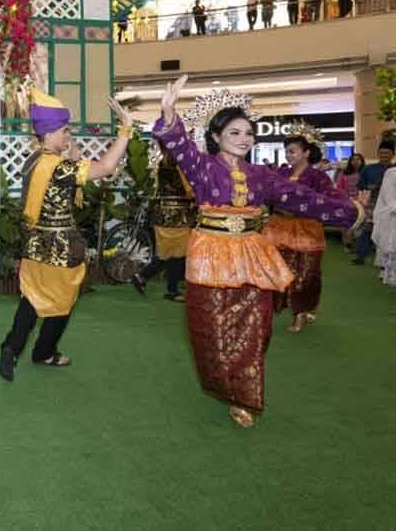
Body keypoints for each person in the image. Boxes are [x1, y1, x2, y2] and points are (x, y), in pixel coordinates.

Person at [153, 77, 362, 428]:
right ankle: (232, 393)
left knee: (259, 325)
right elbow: (179, 147)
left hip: (252, 252)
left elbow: (303, 200)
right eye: (234, 133)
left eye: (248, 133)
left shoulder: (262, 175)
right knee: (215, 329)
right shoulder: (202, 166)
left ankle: (245, 387)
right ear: (216, 136)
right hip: (211, 256)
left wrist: (349, 211)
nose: (244, 139)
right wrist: (169, 112)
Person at [0, 90, 134, 381]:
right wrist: (125, 129)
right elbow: (107, 167)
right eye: (65, 130)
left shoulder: (34, 161)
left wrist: (72, 157)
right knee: (62, 301)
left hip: (34, 245)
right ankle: (44, 351)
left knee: (31, 300)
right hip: (60, 247)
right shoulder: (59, 168)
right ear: (48, 133)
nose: (68, 134)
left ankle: (11, 349)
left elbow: (56, 188)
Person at [261, 124, 337, 332]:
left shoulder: (318, 177)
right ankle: (277, 308)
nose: (288, 155)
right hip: (279, 227)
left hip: (307, 229)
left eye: (292, 151)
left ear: (306, 152)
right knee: (279, 270)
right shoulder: (281, 173)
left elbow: (329, 200)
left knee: (306, 273)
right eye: (286, 151)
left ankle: (301, 313)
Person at [132, 145, 196, 302]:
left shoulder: (163, 161)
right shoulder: (177, 162)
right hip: (177, 216)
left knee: (171, 254)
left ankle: (170, 289)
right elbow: (189, 189)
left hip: (163, 214)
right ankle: (144, 276)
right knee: (173, 255)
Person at [353, 139, 394, 265]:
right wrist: (368, 187)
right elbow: (360, 185)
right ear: (378, 153)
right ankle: (360, 256)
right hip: (373, 202)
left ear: (392, 154)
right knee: (366, 229)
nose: (383, 155)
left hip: (390, 204)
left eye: (386, 153)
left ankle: (387, 259)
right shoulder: (368, 169)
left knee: (388, 231)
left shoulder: (394, 170)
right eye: (381, 153)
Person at [334, 153, 365, 248]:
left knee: (361, 223)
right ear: (350, 162)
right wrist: (348, 198)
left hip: (362, 201)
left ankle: (360, 245)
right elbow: (339, 188)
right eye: (353, 159)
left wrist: (359, 198)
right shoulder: (344, 173)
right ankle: (348, 243)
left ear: (362, 161)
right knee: (346, 222)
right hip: (347, 201)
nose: (355, 162)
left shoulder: (365, 172)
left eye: (358, 159)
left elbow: (367, 188)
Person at [372, 169, 396, 287]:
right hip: (391, 215)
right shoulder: (392, 173)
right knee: (390, 247)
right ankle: (390, 274)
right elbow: (389, 197)